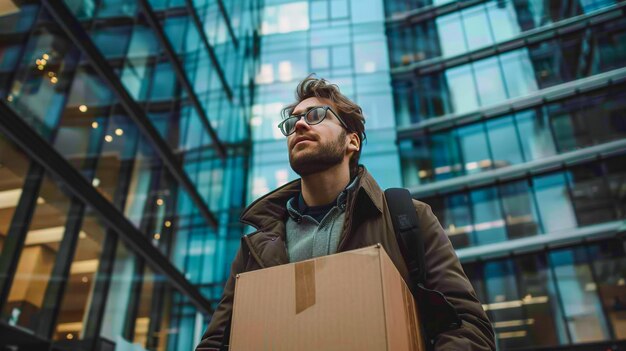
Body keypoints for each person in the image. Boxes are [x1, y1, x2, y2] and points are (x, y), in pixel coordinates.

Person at [195, 76, 495, 350]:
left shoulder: (406, 217)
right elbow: (216, 343)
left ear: (352, 141)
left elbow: (468, 326)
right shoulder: (255, 247)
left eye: (315, 116)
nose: (298, 125)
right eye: (293, 122)